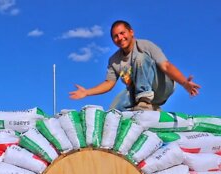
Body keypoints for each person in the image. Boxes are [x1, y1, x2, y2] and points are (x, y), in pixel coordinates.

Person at [69, 20, 201, 111]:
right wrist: (87, 92)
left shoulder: (145, 46)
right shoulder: (114, 60)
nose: (120, 38)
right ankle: (152, 108)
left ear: (131, 32)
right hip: (137, 92)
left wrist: (184, 83)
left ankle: (144, 101)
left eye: (122, 33)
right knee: (113, 111)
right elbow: (109, 83)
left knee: (140, 58)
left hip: (161, 86)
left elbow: (166, 66)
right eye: (115, 36)